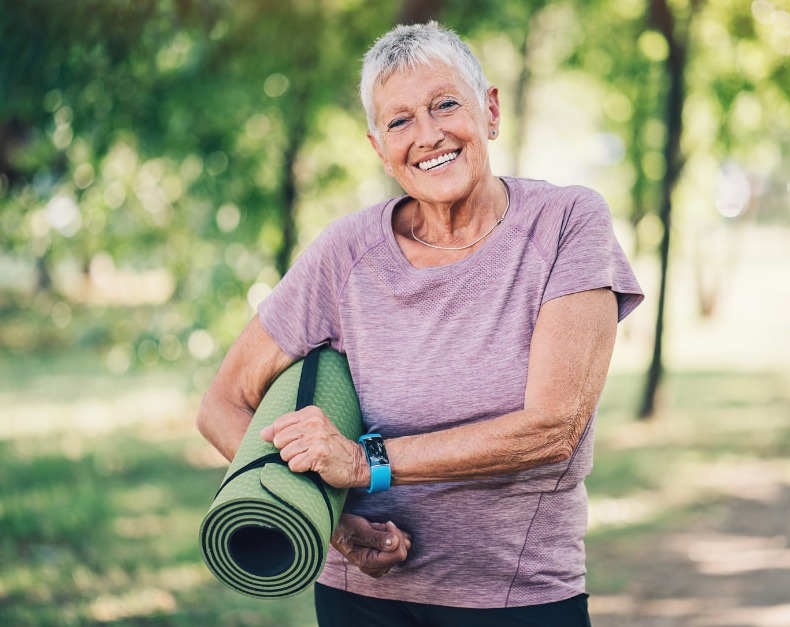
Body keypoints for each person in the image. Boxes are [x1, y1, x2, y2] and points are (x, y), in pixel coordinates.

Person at [197, 21, 643, 627]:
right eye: (400, 121)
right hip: (361, 600)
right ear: (379, 148)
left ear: (489, 110)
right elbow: (223, 403)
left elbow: (551, 429)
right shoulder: (346, 252)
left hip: (517, 597)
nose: (428, 134)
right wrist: (331, 523)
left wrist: (363, 462)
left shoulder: (566, 222)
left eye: (445, 104)